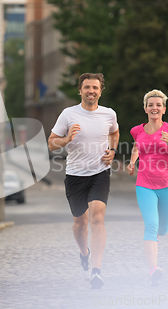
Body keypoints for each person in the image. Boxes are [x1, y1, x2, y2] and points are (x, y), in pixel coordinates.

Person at [48, 73, 119, 289]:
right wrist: (67, 139)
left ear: (101, 90)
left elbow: (114, 133)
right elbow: (51, 144)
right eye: (87, 87)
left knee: (97, 218)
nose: (91, 91)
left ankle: (96, 271)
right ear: (80, 90)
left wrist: (113, 150)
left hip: (100, 173)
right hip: (75, 175)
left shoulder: (109, 114)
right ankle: (84, 254)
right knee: (81, 224)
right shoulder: (68, 114)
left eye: (95, 88)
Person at [127, 89, 168, 287]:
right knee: (151, 226)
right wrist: (132, 162)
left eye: (158, 105)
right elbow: (137, 146)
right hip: (144, 184)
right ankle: (153, 269)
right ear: (145, 108)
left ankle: (156, 238)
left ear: (164, 109)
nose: (154, 108)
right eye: (150, 105)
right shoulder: (137, 130)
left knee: (162, 228)